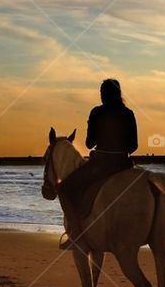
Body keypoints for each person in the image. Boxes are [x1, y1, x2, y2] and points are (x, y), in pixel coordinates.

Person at [57, 78, 138, 249]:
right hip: (124, 165)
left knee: (63, 189)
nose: (101, 96)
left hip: (101, 164)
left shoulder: (97, 112)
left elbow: (89, 144)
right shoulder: (128, 113)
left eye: (102, 93)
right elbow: (134, 146)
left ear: (104, 95)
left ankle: (76, 234)